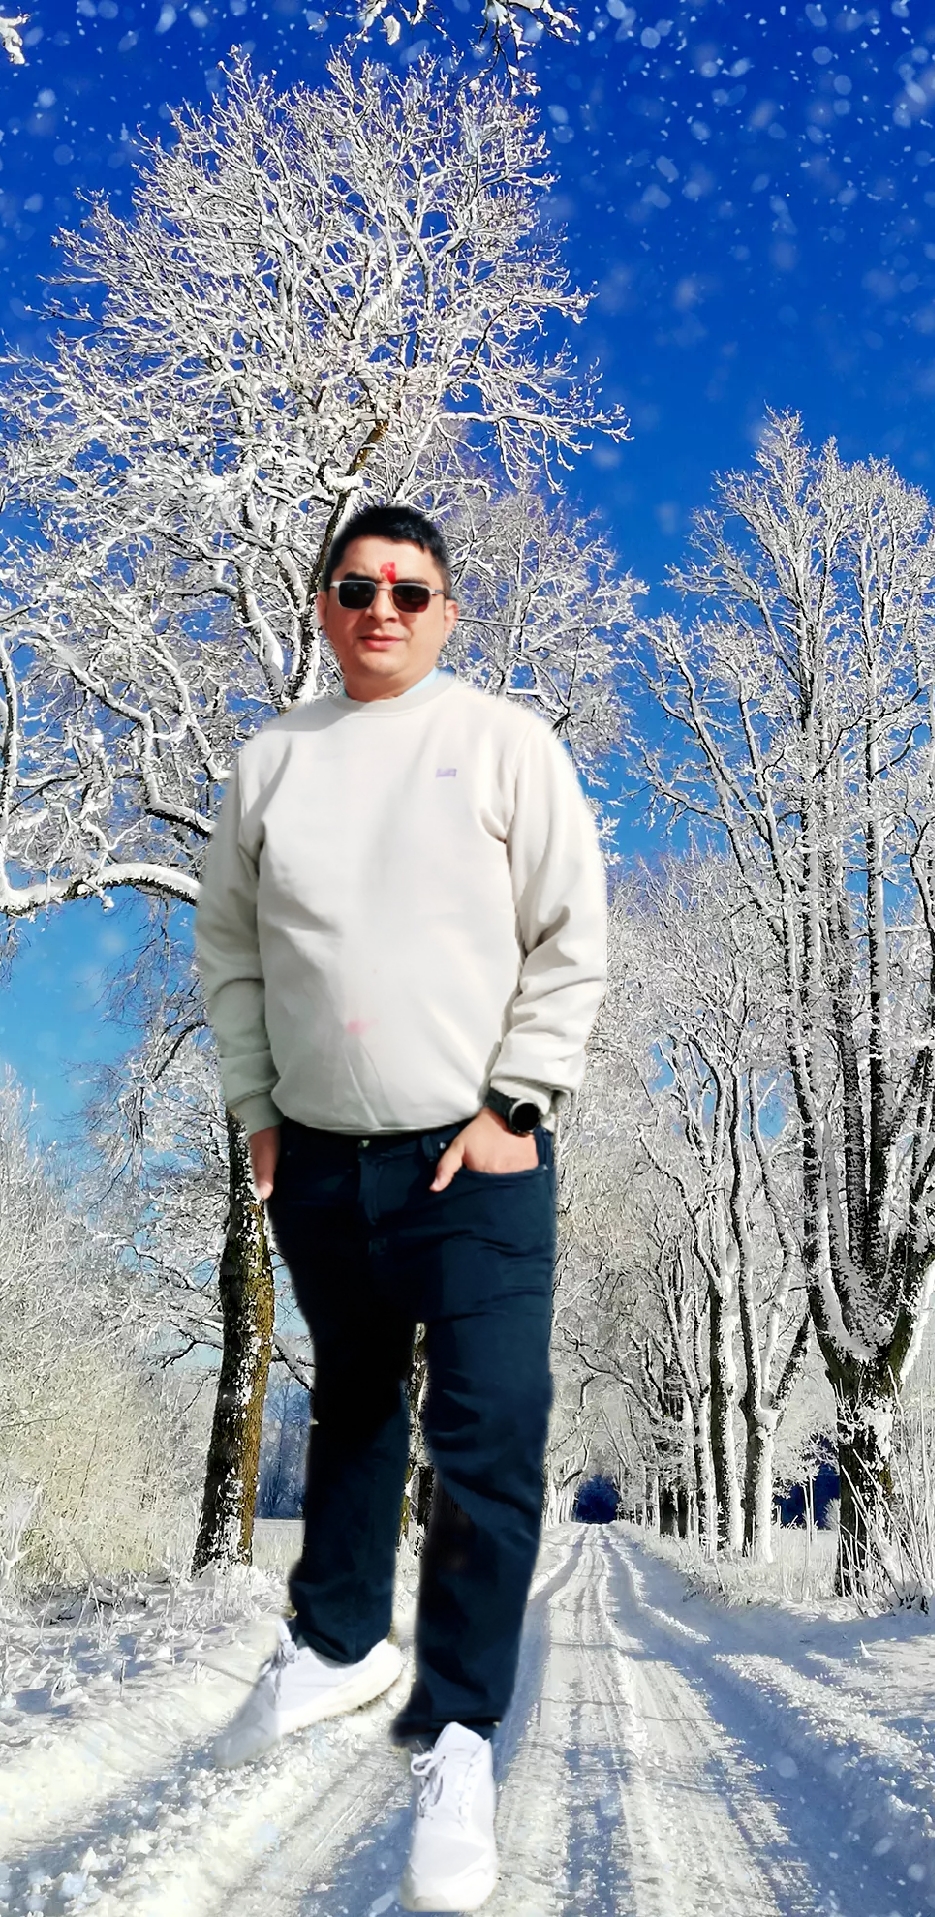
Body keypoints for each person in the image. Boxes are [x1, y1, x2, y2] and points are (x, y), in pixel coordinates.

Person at [194, 501, 607, 1914]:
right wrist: (259, 1111)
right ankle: (335, 1644)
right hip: (319, 1155)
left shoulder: (502, 743)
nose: (382, 607)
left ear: (445, 611)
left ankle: (461, 1734)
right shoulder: (270, 761)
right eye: (357, 585)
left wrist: (516, 1107)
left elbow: (571, 935)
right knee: (358, 1404)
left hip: (476, 1157)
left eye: (410, 590)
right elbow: (232, 950)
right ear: (322, 602)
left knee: (486, 1432)